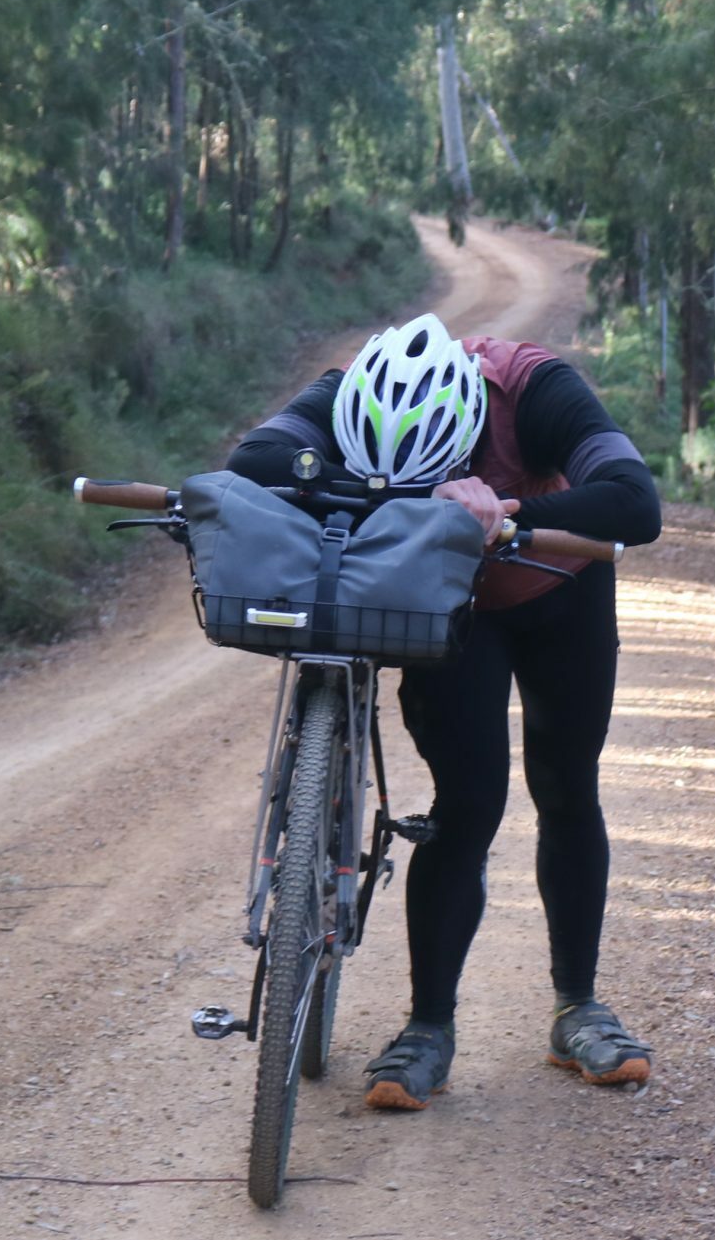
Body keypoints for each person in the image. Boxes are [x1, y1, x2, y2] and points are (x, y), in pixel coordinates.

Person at [226, 313, 663, 1110]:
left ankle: (577, 1007)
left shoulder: (532, 390)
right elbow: (254, 458)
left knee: (565, 786)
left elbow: (636, 503)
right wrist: (393, 494)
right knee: (468, 808)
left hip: (558, 590)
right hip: (445, 606)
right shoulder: (360, 391)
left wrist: (504, 507)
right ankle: (429, 1026)